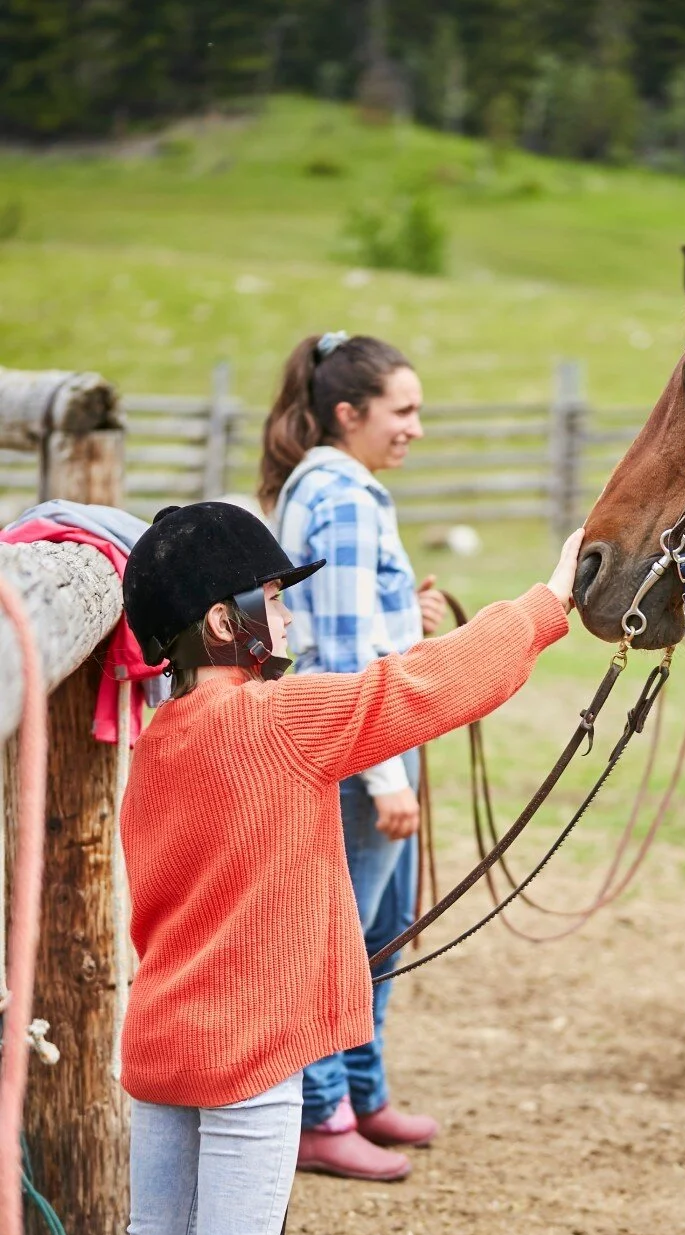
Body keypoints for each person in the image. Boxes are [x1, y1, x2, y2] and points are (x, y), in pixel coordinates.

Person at [106, 500, 582, 1235]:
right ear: (225, 622)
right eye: (275, 600)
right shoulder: (282, 720)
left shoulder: (156, 744)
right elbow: (418, 686)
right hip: (249, 1047)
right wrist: (548, 603)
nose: (288, 616)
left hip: (162, 1038)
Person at [258, 331, 443, 1181]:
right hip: (355, 749)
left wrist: (412, 615)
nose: (414, 427)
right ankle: (317, 1111)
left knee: (379, 934)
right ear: (348, 412)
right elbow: (337, 649)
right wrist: (384, 775)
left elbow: (363, 618)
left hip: (368, 739)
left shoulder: (342, 489)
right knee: (339, 940)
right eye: (401, 411)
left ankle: (360, 1093)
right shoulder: (341, 496)